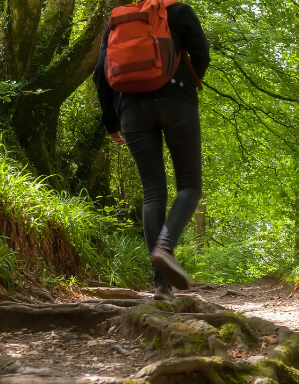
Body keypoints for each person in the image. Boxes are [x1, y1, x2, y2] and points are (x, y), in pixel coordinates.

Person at [93, 1, 211, 301]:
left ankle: (161, 285)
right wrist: (182, 82)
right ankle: (165, 247)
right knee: (190, 186)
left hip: (131, 110)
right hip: (177, 102)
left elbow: (100, 74)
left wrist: (111, 121)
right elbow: (201, 54)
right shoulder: (179, 10)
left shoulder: (118, 20)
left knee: (153, 192)